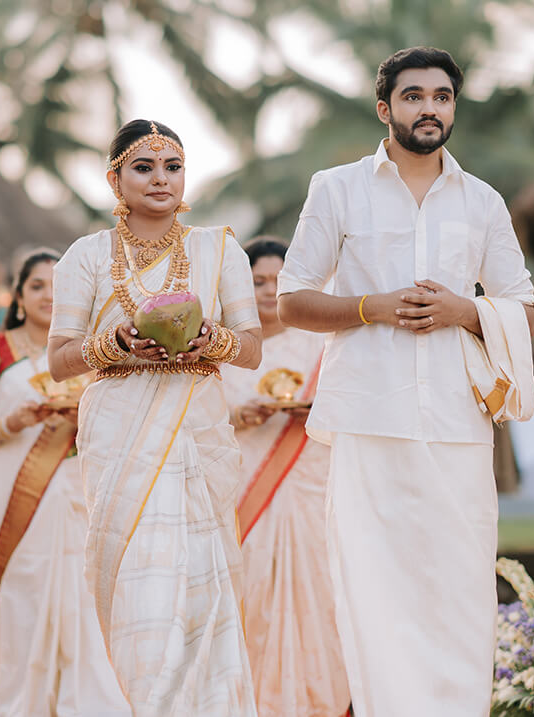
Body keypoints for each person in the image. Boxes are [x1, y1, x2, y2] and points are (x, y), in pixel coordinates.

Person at [277, 47, 534, 716]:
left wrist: (463, 310)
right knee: (375, 595)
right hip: (368, 420)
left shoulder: (482, 201)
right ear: (385, 107)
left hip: (457, 426)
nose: (430, 107)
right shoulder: (335, 188)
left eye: (443, 96)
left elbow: (524, 307)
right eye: (415, 95)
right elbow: (293, 299)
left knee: (459, 592)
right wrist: (372, 306)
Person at [47, 119, 264, 716]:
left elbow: (252, 347)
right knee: (142, 587)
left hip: (196, 430)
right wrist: (113, 345)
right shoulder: (85, 257)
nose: (161, 179)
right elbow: (60, 360)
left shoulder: (219, 249)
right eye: (144, 167)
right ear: (115, 179)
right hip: (119, 431)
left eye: (172, 166)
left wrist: (211, 340)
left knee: (200, 583)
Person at [0, 249, 126, 716]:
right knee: (24, 607)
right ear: (17, 295)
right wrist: (13, 422)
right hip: (14, 500)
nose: (49, 296)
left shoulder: (92, 350)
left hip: (79, 493)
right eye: (37, 286)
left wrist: (86, 415)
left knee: (84, 608)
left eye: (59, 286)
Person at [219, 237, 349, 717]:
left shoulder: (322, 343)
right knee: (253, 599)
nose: (269, 290)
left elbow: (351, 401)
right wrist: (237, 414)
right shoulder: (223, 350)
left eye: (279, 281)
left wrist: (320, 407)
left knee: (320, 593)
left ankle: (322, 703)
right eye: (257, 281)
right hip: (246, 490)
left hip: (312, 484)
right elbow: (195, 419)